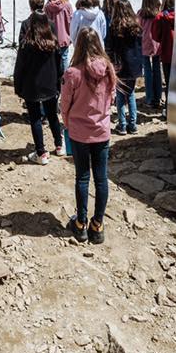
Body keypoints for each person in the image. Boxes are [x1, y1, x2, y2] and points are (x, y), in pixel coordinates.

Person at [60, 28, 116, 245]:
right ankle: (97, 224)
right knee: (101, 178)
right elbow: (110, 98)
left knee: (82, 177)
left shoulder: (73, 73)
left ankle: (81, 223)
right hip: (101, 130)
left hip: (79, 131)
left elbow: (65, 103)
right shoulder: (108, 69)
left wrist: (67, 122)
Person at [14, 0, 64, 163]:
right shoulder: (51, 38)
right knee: (52, 115)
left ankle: (41, 152)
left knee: (35, 117)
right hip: (49, 82)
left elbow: (19, 66)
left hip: (32, 84)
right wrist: (59, 81)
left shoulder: (27, 44)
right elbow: (58, 62)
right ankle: (59, 144)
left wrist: (18, 85)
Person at [106, 0, 143, 135]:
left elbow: (109, 48)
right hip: (133, 66)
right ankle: (132, 124)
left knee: (121, 96)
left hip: (120, 66)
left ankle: (122, 125)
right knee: (131, 94)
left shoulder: (114, 28)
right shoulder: (136, 27)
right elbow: (140, 48)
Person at [46, 0, 74, 90]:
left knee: (54, 62)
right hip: (64, 37)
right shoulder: (67, 5)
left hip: (52, 38)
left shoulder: (48, 6)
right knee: (64, 59)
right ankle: (65, 82)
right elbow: (71, 21)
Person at [138, 0, 162, 109]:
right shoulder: (159, 13)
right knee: (157, 69)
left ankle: (149, 97)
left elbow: (138, 28)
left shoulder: (141, 13)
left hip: (145, 43)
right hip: (157, 43)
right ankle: (158, 97)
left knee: (147, 71)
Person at [156, 0, 176, 99]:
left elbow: (155, 35)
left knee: (169, 82)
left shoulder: (160, 17)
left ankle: (169, 110)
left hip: (167, 54)